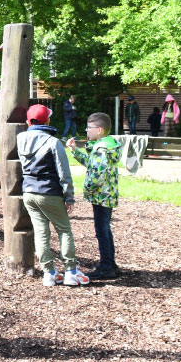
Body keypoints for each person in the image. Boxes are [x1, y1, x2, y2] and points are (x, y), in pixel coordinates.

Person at [18, 105, 89, 287]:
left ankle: (49, 273)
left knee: (41, 232)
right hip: (49, 193)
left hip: (29, 193)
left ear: (28, 122)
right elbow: (64, 173)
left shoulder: (20, 139)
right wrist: (69, 197)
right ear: (47, 121)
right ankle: (71, 272)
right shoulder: (53, 142)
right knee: (64, 230)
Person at [66, 112, 121, 279]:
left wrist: (87, 189)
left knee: (102, 231)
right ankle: (110, 263)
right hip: (106, 195)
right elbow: (91, 164)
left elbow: (98, 174)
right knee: (104, 230)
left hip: (101, 196)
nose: (87, 131)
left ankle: (106, 267)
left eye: (89, 128)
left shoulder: (101, 150)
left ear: (99, 129)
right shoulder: (106, 145)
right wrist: (75, 151)